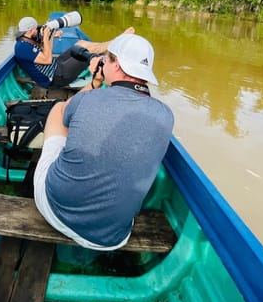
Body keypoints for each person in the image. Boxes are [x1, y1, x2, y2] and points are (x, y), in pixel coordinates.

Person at [33, 31, 174, 250]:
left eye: (107, 59)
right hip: (114, 237)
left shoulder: (88, 98)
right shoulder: (166, 115)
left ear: (116, 65)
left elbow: (68, 114)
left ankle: (54, 166)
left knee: (59, 110)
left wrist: (95, 82)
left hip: (56, 211)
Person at [14, 15, 115, 89]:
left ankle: (110, 45)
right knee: (87, 51)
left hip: (57, 65)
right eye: (36, 29)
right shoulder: (22, 47)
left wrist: (52, 35)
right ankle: (114, 46)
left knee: (81, 44)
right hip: (56, 77)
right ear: (31, 30)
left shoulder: (28, 39)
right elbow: (47, 59)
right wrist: (45, 37)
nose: (38, 30)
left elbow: (46, 50)